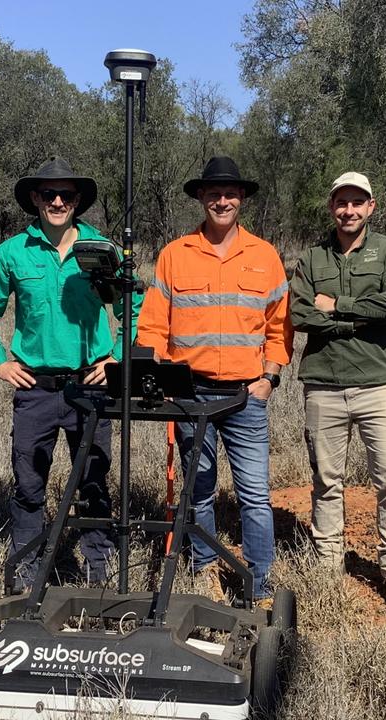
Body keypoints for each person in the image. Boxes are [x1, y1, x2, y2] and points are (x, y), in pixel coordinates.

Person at [0, 157, 141, 593]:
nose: (57, 201)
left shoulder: (104, 250)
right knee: (28, 481)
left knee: (94, 480)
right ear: (35, 200)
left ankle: (98, 571)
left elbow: (132, 308)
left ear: (79, 201)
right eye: (48, 194)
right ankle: (25, 571)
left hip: (90, 386)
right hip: (36, 391)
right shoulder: (11, 253)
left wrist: (117, 357)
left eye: (66, 195)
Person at [137, 156, 293, 605]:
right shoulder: (174, 254)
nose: (221, 200)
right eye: (213, 194)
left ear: (241, 199)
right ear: (201, 198)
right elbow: (152, 326)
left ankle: (258, 585)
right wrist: (158, 378)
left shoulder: (265, 256)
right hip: (190, 395)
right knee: (198, 490)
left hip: (246, 397)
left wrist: (270, 377)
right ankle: (204, 571)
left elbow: (280, 324)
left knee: (255, 497)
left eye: (229, 193)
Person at [289, 171, 386, 612]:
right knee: (326, 482)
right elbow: (300, 314)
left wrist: (338, 307)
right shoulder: (312, 256)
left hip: (379, 385)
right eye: (342, 203)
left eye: (357, 203)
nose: (349, 210)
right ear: (332, 207)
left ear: (371, 207)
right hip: (322, 386)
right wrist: (360, 317)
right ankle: (327, 565)